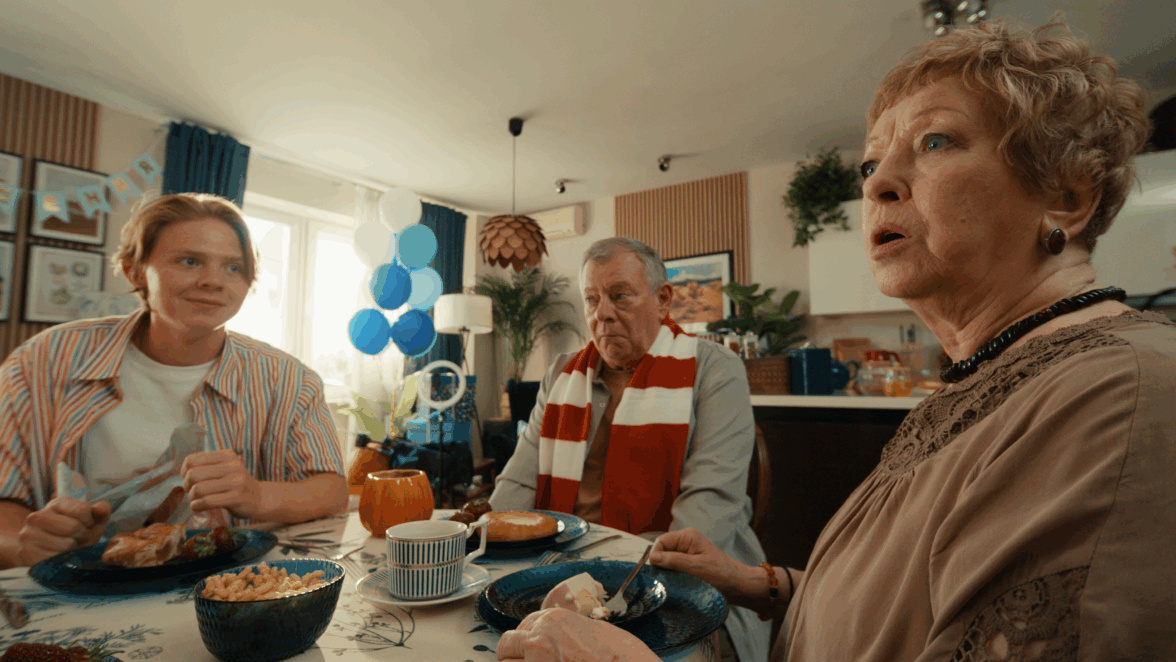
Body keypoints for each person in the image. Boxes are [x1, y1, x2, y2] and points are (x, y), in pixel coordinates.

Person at [496, 18, 1175, 662]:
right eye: (871, 162)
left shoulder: (1119, 396)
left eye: (936, 142)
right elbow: (896, 605)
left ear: (1066, 196)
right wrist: (760, 583)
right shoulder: (984, 382)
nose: (877, 184)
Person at [0, 193, 348, 569]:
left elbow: (331, 492)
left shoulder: (289, 380)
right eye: (189, 261)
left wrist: (257, 495)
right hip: (71, 591)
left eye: (233, 267)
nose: (213, 281)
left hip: (221, 589)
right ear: (135, 271)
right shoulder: (43, 361)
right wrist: (23, 548)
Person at [489, 236, 770, 662]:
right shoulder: (561, 374)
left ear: (663, 300)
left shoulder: (716, 368)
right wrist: (491, 545)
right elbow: (515, 491)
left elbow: (702, 522)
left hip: (682, 586)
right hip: (559, 577)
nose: (601, 313)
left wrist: (590, 578)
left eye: (619, 296)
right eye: (591, 299)